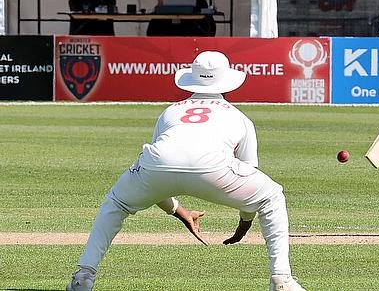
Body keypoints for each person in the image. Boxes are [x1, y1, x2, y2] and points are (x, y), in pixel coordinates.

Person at [67, 51, 306, 291]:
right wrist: (244, 224)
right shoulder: (239, 118)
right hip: (214, 169)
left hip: (156, 165)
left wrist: (179, 211)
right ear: (227, 81)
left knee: (116, 204)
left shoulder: (170, 111)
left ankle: (84, 276)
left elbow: (161, 173)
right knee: (272, 196)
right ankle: (281, 279)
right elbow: (250, 182)